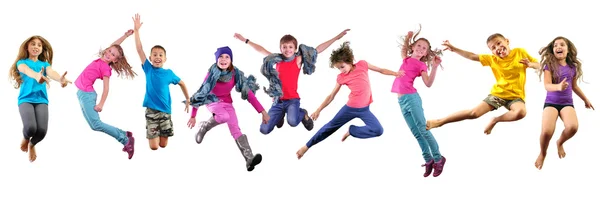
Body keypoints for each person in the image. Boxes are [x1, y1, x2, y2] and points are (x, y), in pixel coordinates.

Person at [296, 41, 400, 160]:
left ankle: (352, 130)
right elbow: (331, 96)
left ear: (349, 61)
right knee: (329, 127)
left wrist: (395, 74)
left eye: (342, 66)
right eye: (338, 68)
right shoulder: (341, 78)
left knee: (378, 130)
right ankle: (306, 146)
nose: (341, 70)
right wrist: (318, 109)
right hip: (350, 109)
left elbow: (381, 70)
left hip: (365, 109)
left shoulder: (362, 64)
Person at [233, 29, 350, 134]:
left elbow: (318, 49)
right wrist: (245, 40)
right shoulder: (276, 60)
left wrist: (336, 37)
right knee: (264, 129)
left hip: (292, 100)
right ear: (280, 49)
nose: (287, 49)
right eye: (284, 47)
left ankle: (302, 113)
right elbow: (261, 49)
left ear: (295, 49)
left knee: (293, 122)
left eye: (290, 47)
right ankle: (279, 117)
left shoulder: (298, 60)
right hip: (278, 101)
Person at [426, 33, 541, 134]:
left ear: (507, 41)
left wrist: (530, 64)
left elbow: (539, 65)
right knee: (474, 113)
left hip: (516, 96)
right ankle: (439, 122)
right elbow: (472, 56)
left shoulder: (520, 52)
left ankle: (495, 120)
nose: (498, 48)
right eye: (493, 48)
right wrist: (454, 48)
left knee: (521, 112)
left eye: (499, 43)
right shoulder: (492, 59)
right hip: (499, 94)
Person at [187, 46, 269, 172]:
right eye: (220, 57)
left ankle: (249, 159)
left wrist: (262, 112)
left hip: (227, 103)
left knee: (236, 129)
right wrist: (193, 116)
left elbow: (249, 94)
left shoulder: (235, 73)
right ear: (216, 59)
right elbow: (201, 93)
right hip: (212, 101)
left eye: (227, 57)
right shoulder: (211, 74)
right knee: (224, 116)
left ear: (231, 60)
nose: (223, 59)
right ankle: (204, 126)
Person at [73, 29, 137, 160]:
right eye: (109, 51)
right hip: (81, 93)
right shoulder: (101, 59)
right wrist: (125, 36)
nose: (109, 54)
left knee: (96, 124)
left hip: (87, 95)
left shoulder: (105, 68)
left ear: (115, 60)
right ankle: (125, 134)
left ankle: (125, 140)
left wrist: (101, 104)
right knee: (93, 125)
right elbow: (114, 46)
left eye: (112, 55)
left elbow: (106, 89)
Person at [534, 36, 594, 170]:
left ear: (568, 50)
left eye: (562, 45)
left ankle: (560, 142)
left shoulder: (572, 68)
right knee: (546, 132)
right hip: (551, 102)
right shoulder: (549, 66)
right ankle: (543, 153)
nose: (558, 47)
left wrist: (585, 99)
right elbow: (547, 85)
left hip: (567, 103)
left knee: (573, 127)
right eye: (555, 45)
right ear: (553, 50)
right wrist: (558, 87)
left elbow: (575, 86)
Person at [132, 14, 190, 150]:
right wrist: (136, 31)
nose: (157, 57)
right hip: (151, 111)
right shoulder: (148, 69)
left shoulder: (169, 73)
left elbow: (182, 83)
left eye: (160, 55)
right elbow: (139, 49)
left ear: (165, 59)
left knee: (163, 145)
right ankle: (153, 133)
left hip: (165, 112)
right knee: (154, 147)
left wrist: (187, 98)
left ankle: (160, 134)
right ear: (151, 58)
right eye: (155, 55)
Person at [393, 27, 446, 177]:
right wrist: (408, 37)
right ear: (413, 47)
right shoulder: (406, 59)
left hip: (412, 99)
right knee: (416, 133)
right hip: (401, 101)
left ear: (426, 53)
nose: (421, 49)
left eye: (424, 48)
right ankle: (428, 160)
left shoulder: (421, 65)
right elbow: (404, 49)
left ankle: (438, 158)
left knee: (423, 130)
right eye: (419, 46)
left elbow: (428, 83)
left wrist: (434, 67)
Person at [9, 35, 71, 162]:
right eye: (33, 44)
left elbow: (51, 72)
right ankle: (26, 138)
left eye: (39, 45)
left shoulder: (44, 64)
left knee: (41, 131)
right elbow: (26, 70)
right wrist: (36, 75)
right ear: (27, 46)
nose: (36, 46)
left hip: (41, 100)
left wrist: (60, 79)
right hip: (26, 99)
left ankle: (32, 144)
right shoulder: (21, 63)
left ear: (42, 49)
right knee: (31, 128)